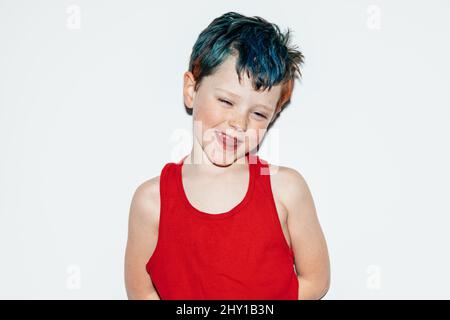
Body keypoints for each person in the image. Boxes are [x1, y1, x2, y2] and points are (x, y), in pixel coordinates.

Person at [124, 11, 330, 300]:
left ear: (273, 117)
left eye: (258, 113)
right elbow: (142, 292)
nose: (239, 124)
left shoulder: (286, 190)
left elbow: (315, 280)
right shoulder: (151, 201)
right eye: (226, 101)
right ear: (191, 89)